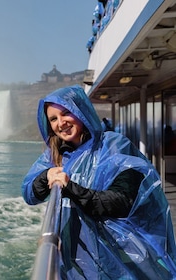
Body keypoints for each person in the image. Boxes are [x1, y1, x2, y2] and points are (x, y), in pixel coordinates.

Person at [22, 85, 176, 279]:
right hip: (75, 260)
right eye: (53, 119)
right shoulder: (54, 155)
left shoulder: (113, 145)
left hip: (117, 258)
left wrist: (70, 188)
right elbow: (29, 193)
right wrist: (45, 177)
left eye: (66, 113)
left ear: (81, 111)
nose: (61, 123)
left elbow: (120, 201)